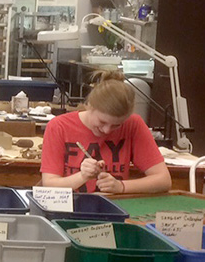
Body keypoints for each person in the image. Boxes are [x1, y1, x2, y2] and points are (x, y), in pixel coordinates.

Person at [40, 70, 171, 194]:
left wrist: (121, 187)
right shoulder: (59, 126)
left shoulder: (133, 124)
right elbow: (50, 185)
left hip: (114, 208)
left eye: (116, 125)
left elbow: (163, 180)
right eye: (102, 122)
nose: (107, 130)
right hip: (70, 207)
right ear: (89, 105)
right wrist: (82, 176)